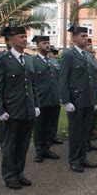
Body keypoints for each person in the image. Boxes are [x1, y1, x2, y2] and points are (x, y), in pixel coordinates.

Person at [0, 26, 40, 189]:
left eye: (26, 36)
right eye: (21, 37)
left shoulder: (28, 59)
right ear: (11, 40)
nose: (25, 39)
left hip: (27, 110)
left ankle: (19, 173)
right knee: (9, 145)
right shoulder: (1, 59)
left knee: (23, 144)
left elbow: (32, 86)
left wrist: (36, 105)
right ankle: (9, 176)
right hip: (10, 111)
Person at [59, 26, 97, 173]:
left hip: (88, 99)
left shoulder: (87, 56)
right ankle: (74, 159)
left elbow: (92, 80)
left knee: (85, 131)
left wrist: (94, 100)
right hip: (76, 99)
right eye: (82, 36)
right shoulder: (69, 55)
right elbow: (63, 79)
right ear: (74, 38)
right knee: (76, 131)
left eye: (86, 36)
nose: (85, 38)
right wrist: (66, 101)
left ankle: (82, 157)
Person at [31, 35, 60, 163]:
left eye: (48, 43)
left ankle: (47, 148)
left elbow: (59, 80)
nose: (47, 45)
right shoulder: (33, 61)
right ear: (38, 45)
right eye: (44, 43)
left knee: (51, 126)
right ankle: (39, 151)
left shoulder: (54, 61)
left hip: (54, 99)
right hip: (41, 99)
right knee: (39, 127)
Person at [85, 38, 97, 150]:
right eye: (88, 44)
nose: (91, 46)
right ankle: (84, 143)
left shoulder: (94, 60)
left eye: (91, 44)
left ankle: (88, 141)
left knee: (91, 120)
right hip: (85, 93)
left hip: (94, 92)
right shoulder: (85, 59)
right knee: (84, 123)